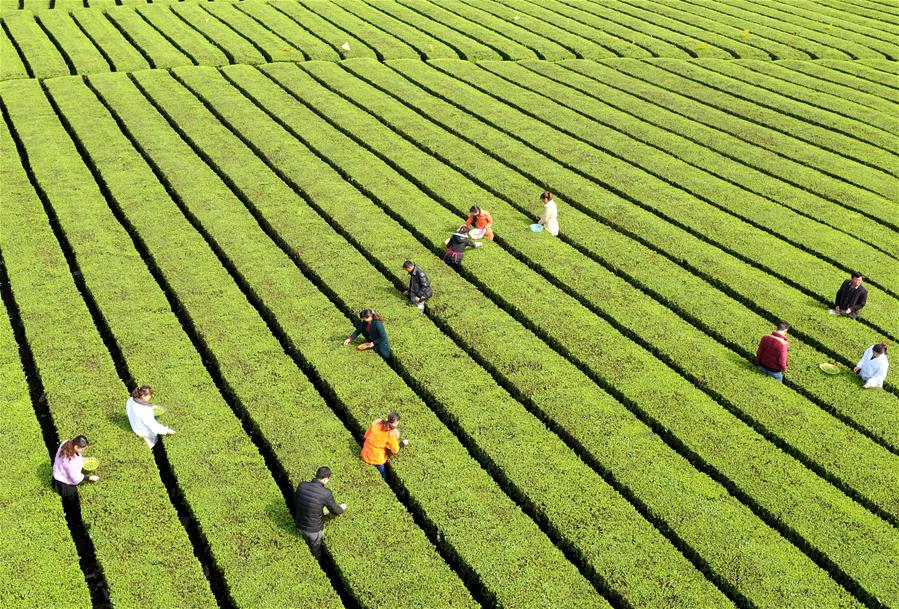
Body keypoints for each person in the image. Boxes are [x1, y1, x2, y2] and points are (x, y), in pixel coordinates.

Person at [294, 466, 346, 559]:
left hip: (299, 525)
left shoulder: (302, 485)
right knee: (316, 550)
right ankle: (317, 564)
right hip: (314, 530)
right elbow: (335, 511)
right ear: (326, 479)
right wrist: (342, 507)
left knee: (304, 543)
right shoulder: (326, 493)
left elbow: (296, 502)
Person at [361, 412, 409, 480]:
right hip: (377, 458)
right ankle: (385, 480)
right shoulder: (391, 434)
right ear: (397, 422)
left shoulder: (376, 425)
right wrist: (402, 443)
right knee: (383, 473)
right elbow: (395, 450)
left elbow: (366, 436)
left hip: (365, 453)